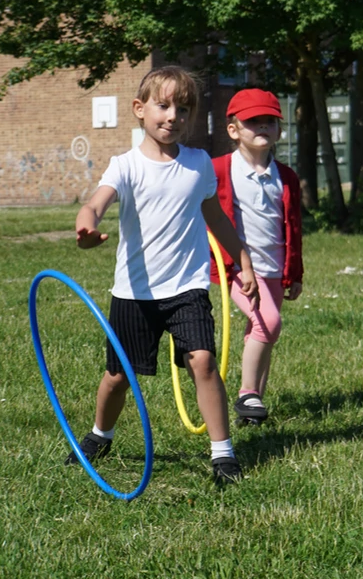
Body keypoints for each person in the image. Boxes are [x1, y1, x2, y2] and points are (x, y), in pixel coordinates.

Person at [72, 66, 259, 486]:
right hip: (134, 292)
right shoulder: (125, 165)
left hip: (186, 287)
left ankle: (223, 454)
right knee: (118, 376)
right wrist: (86, 227)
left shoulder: (198, 164)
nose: (173, 116)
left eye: (183, 108)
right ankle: (100, 435)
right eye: (163, 105)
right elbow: (96, 204)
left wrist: (242, 260)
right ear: (140, 109)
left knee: (203, 362)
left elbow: (217, 217)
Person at [211, 88, 303, 426]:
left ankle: (253, 409)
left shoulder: (286, 176)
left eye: (270, 121)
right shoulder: (220, 169)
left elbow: (293, 228)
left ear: (279, 129)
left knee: (262, 331)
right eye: (253, 121)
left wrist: (295, 274)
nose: (263, 127)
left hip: (274, 270)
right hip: (237, 268)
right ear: (233, 130)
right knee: (270, 323)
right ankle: (247, 393)